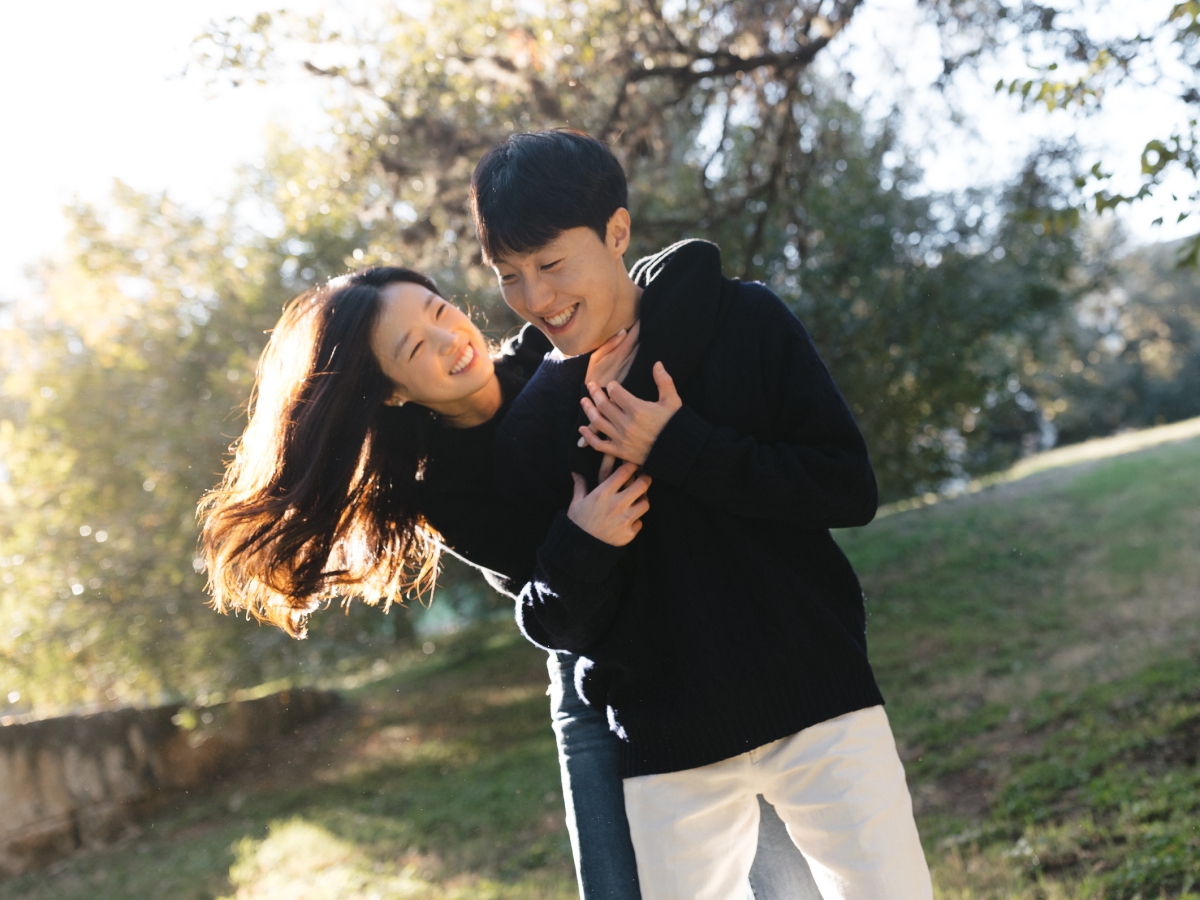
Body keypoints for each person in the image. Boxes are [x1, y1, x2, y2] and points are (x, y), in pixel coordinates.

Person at [196, 265, 816, 900]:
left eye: (439, 312)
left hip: (697, 640)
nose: (449, 340)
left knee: (788, 885)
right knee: (617, 889)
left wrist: (589, 370)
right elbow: (559, 613)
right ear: (392, 393)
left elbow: (687, 273)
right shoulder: (443, 489)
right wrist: (583, 538)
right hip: (595, 679)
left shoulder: (548, 350)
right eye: (415, 348)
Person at [472, 129, 934, 899]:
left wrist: (678, 443)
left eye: (551, 265)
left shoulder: (744, 320)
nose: (535, 300)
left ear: (616, 231)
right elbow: (553, 620)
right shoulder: (537, 416)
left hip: (818, 704)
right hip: (666, 747)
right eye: (509, 276)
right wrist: (584, 543)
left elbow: (846, 487)